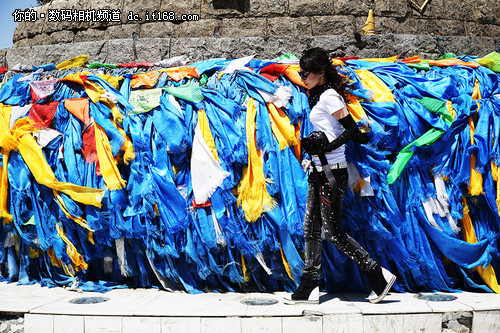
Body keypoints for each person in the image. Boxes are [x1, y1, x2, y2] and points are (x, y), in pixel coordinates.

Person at [284, 47, 396, 304]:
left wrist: (325, 148)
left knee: (333, 233)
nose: (302, 77)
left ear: (320, 73)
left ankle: (377, 275)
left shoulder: (330, 97)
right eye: (301, 72)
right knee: (310, 229)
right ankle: (310, 284)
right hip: (319, 170)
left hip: (332, 172)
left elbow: (352, 131)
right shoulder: (317, 94)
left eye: (306, 73)